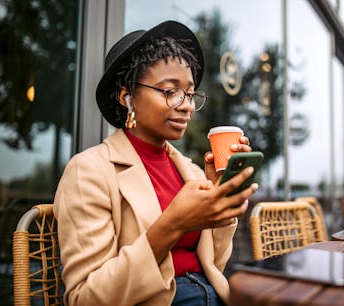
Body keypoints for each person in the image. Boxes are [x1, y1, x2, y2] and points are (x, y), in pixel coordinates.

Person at [53, 20, 258, 306]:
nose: (186, 104)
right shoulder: (89, 170)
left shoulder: (193, 172)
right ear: (128, 97)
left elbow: (214, 267)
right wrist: (172, 224)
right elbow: (85, 298)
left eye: (189, 93)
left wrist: (222, 207)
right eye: (170, 91)